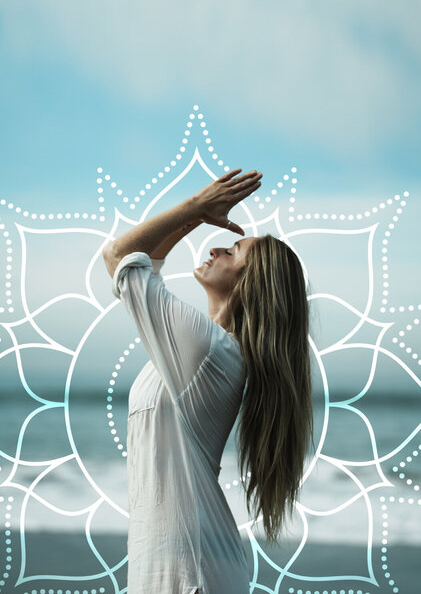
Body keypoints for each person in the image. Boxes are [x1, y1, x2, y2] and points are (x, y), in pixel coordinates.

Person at [102, 168, 313, 594]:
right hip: (181, 565)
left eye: (233, 252)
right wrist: (196, 217)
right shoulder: (211, 351)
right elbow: (143, 264)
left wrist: (196, 210)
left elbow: (120, 254)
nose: (216, 248)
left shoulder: (209, 349)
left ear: (250, 283)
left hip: (190, 572)